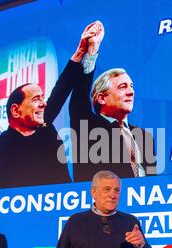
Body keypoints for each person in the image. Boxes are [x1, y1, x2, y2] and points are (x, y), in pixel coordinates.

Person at [0, 21, 103, 189]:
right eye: (36, 99)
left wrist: (85, 51)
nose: (44, 103)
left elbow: (61, 90)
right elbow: (0, 193)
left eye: (43, 98)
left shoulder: (45, 128)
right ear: (15, 110)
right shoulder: (6, 142)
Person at [68, 24, 157, 182]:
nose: (131, 92)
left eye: (131, 86)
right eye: (122, 87)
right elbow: (79, 99)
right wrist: (91, 52)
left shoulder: (145, 137)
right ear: (101, 98)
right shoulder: (87, 127)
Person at [51, 170, 153, 248]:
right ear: (93, 192)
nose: (112, 194)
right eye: (107, 189)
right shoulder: (75, 222)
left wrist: (141, 245)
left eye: (117, 190)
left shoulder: (130, 222)